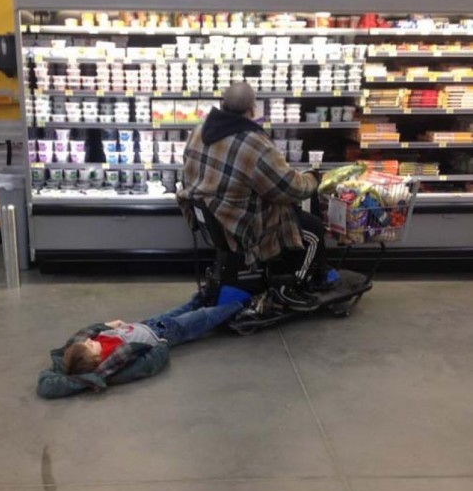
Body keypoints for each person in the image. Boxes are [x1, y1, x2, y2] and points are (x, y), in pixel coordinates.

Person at [176, 82, 338, 314]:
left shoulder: (198, 130)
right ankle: (293, 286)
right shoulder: (253, 142)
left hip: (211, 219)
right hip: (241, 226)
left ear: (222, 102)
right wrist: (314, 178)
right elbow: (291, 188)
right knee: (312, 230)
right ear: (253, 109)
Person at [37, 291, 247, 399]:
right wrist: (162, 346)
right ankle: (243, 304)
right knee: (201, 318)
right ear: (96, 360)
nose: (91, 341)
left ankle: (204, 297)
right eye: (91, 346)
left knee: (184, 308)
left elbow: (82, 337)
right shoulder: (112, 368)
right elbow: (147, 365)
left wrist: (107, 325)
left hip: (146, 324)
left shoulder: (80, 351)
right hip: (161, 334)